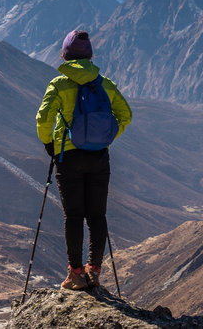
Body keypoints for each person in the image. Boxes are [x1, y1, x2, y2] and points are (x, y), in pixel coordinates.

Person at [35, 29, 132, 290]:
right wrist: (107, 137)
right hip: (99, 157)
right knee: (97, 215)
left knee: (74, 216)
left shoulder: (59, 84)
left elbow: (43, 119)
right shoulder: (105, 84)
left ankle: (76, 274)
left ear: (65, 55)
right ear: (90, 55)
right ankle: (95, 270)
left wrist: (50, 145)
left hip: (68, 156)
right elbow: (125, 115)